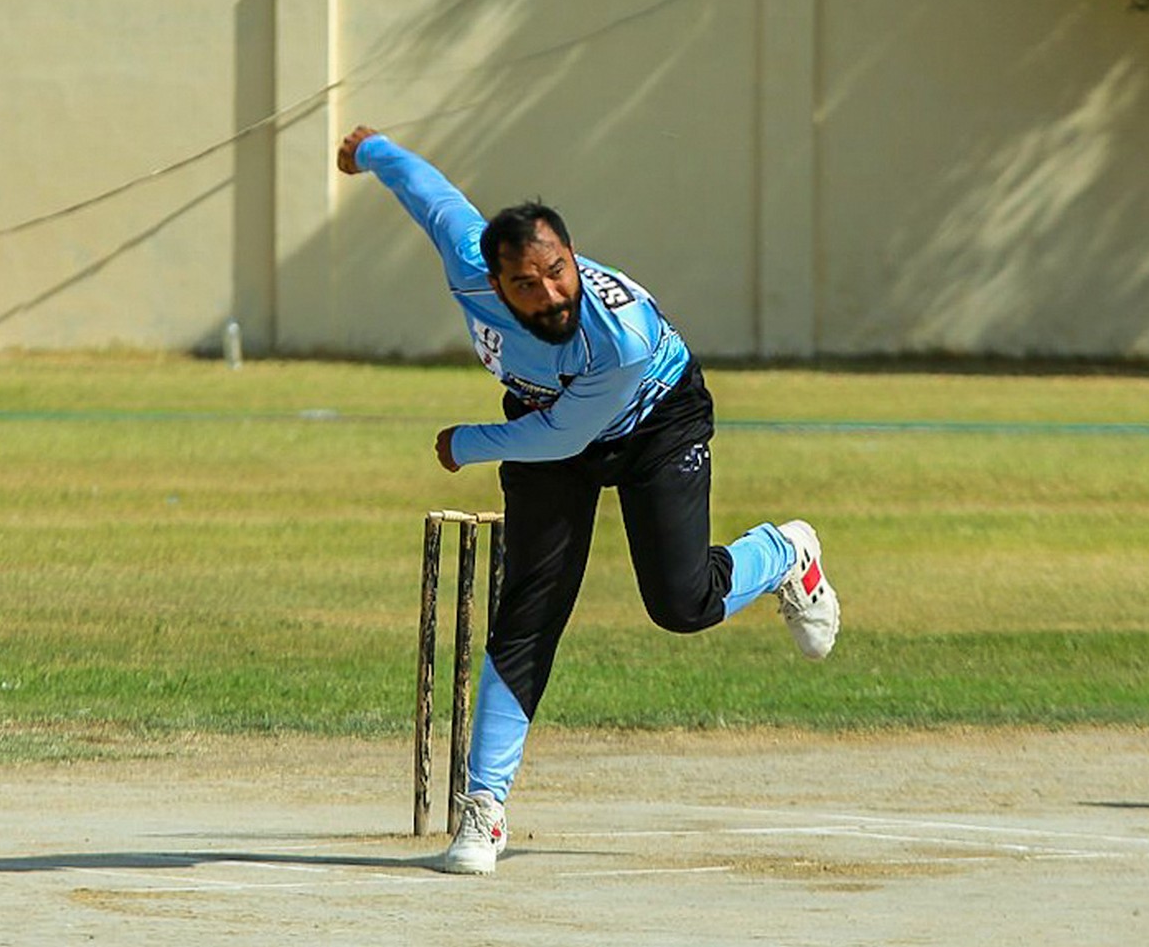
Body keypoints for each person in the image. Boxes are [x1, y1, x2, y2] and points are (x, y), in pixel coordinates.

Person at [335, 126, 839, 875]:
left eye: (558, 272)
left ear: (572, 256)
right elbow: (429, 193)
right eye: (525, 284)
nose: (549, 295)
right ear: (493, 282)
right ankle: (485, 810)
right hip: (544, 418)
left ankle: (785, 553)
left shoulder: (619, 336)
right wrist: (370, 150)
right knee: (529, 612)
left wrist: (466, 443)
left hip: (654, 422)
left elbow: (563, 436)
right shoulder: (468, 262)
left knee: (681, 603)